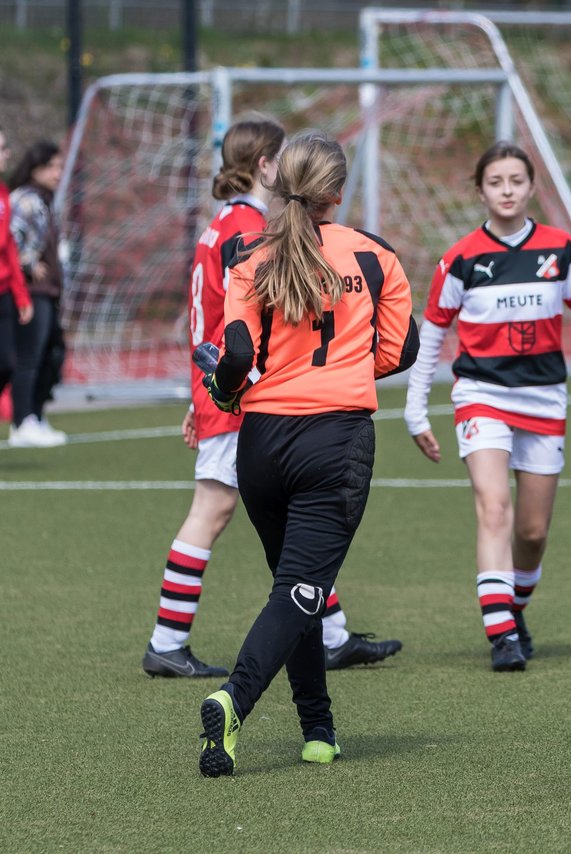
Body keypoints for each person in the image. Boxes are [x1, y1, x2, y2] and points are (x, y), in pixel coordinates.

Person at [194, 130, 420, 777]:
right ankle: (234, 698)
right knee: (301, 587)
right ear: (337, 191)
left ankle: (318, 728)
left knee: (295, 589)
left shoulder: (250, 255)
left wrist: (227, 388)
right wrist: (344, 373)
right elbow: (397, 350)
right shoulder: (375, 255)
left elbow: (237, 353)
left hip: (262, 440)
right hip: (336, 437)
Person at [142, 116, 401, 680]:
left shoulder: (228, 223)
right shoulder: (248, 229)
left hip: (235, 384)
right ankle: (167, 639)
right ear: (265, 166)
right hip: (247, 388)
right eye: (283, 159)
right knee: (212, 510)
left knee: (294, 523)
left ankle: (331, 633)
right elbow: (240, 328)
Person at [404, 141, 571, 673]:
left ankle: (513, 609)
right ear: (480, 190)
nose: (506, 190)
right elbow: (431, 336)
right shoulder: (460, 259)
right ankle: (501, 634)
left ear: (530, 187)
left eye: (516, 181)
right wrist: (415, 410)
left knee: (532, 532)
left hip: (545, 399)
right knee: (493, 507)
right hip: (482, 395)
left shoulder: (558, 249)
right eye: (496, 182)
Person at [6, 139, 65, 448]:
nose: (58, 172)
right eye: (51, 166)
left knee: (49, 354)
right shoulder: (25, 199)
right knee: (27, 356)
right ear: (36, 168)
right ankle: (22, 421)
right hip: (30, 290)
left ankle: (35, 417)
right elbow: (9, 239)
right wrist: (30, 265)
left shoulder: (45, 200)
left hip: (47, 290)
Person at [0, 128, 34, 425]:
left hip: (3, 295)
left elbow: (9, 247)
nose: (6, 154)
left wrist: (21, 295)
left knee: (7, 364)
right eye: (1, 149)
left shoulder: (3, 194)